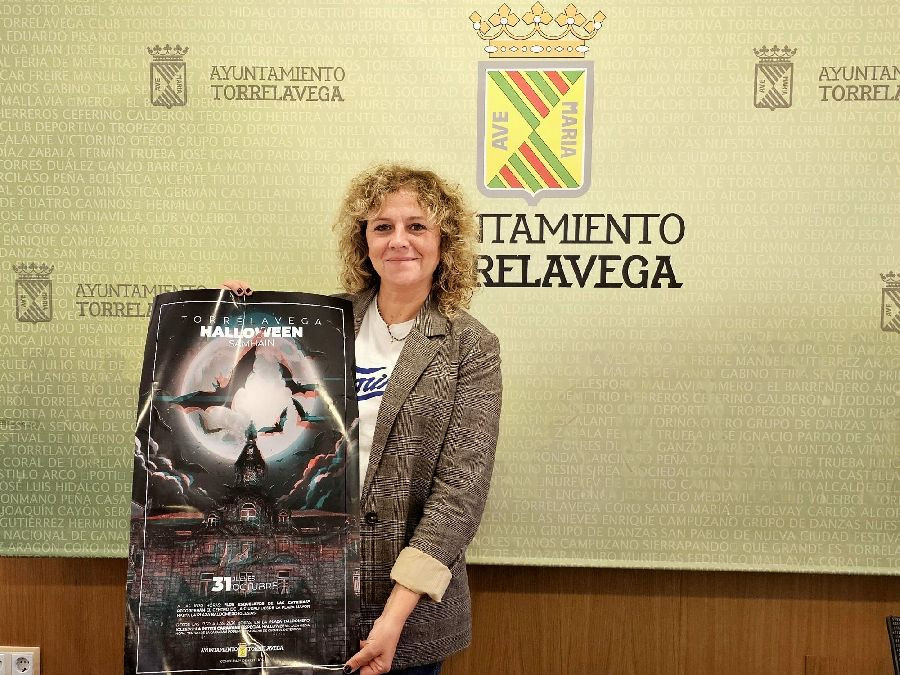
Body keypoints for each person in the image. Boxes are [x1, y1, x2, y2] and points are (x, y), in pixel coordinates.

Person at [224, 164, 502, 675]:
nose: (399, 240)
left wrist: (392, 618)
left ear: (444, 241)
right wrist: (231, 317)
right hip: (306, 597)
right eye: (383, 227)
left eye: (417, 226)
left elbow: (460, 494)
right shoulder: (323, 323)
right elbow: (256, 392)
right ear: (365, 242)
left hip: (408, 614)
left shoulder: (471, 347)